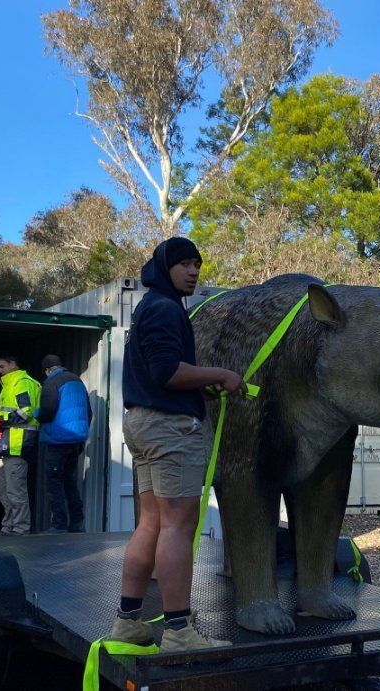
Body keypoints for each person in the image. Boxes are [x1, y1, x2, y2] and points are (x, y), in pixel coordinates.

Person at [109, 236, 246, 653]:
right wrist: (219, 374)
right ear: (165, 266)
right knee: (176, 527)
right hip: (170, 431)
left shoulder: (150, 307)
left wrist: (200, 390)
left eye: (197, 265)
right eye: (185, 264)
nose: (193, 272)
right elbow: (168, 371)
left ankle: (128, 623)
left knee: (150, 523)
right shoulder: (166, 309)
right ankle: (178, 632)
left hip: (143, 424)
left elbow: (157, 375)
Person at [0, 355, 41, 536]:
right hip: (7, 445)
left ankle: (20, 529)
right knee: (5, 491)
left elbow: (26, 412)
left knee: (16, 491)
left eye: (2, 366)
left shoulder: (22, 383)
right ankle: (8, 527)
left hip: (18, 445)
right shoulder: (9, 385)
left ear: (13, 364)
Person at [37, 354, 91, 533]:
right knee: (69, 480)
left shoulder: (52, 382)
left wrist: (36, 413)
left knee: (54, 481)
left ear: (47, 370)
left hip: (58, 439)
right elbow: (88, 412)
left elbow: (47, 412)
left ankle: (59, 524)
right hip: (76, 440)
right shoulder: (78, 381)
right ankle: (77, 522)